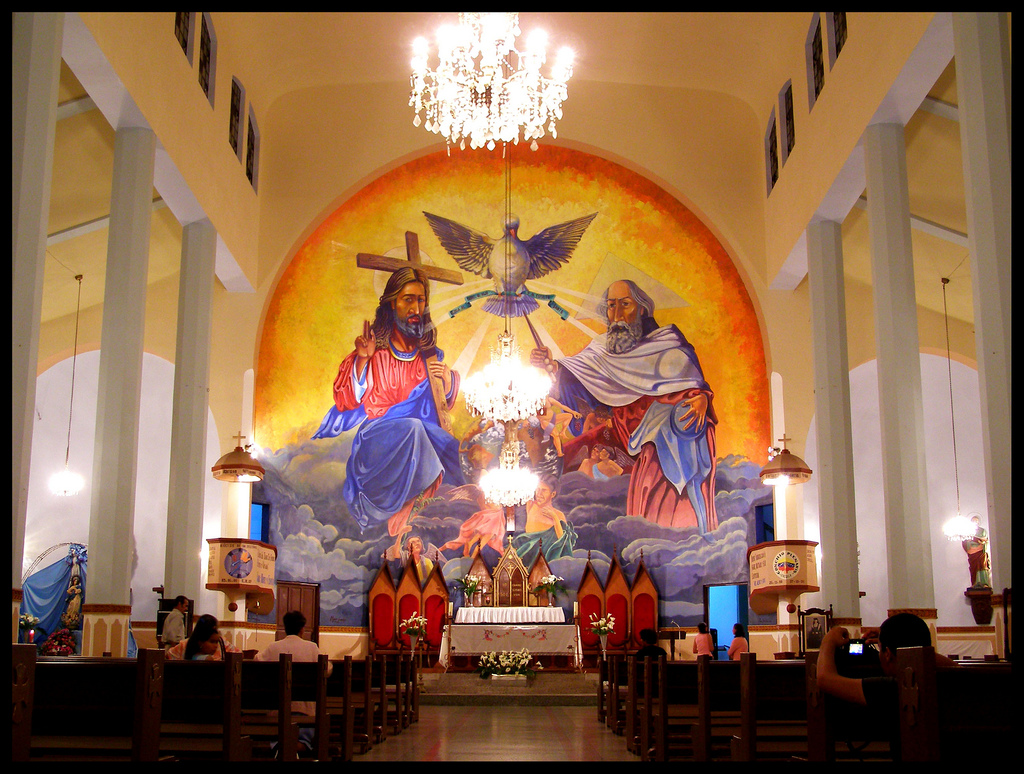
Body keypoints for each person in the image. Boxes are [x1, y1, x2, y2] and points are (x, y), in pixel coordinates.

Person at [531, 279, 718, 535]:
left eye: (625, 304)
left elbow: (692, 383)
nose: (617, 315)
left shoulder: (668, 345)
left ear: (641, 309)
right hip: (624, 435)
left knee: (662, 473)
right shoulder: (600, 350)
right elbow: (576, 379)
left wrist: (702, 398)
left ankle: (680, 533)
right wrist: (551, 367)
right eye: (611, 306)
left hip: (658, 439)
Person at [312, 268, 466, 553]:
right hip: (377, 441)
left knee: (455, 451)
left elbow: (439, 408)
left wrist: (447, 381)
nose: (415, 308)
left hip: (420, 438)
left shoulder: (430, 357)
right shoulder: (375, 353)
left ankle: (414, 512)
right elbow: (347, 399)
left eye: (420, 300)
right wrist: (362, 360)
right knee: (414, 428)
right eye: (407, 299)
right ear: (392, 303)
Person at [815, 613, 956, 757]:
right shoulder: (950, 680)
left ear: (887, 654)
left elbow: (824, 679)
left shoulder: (891, 688)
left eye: (880, 648)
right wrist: (894, 639)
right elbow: (954, 666)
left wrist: (828, 641)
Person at [256, 610, 333, 756]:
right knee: (305, 729)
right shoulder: (311, 647)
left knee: (278, 730)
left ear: (285, 627)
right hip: (304, 710)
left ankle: (280, 745)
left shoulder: (273, 647)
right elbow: (327, 668)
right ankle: (299, 745)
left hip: (277, 709)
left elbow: (257, 662)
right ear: (302, 629)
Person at [512, 473, 577, 568]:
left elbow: (563, 541)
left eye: (544, 490)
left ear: (553, 494)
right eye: (537, 489)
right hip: (526, 553)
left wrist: (555, 518)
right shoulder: (531, 505)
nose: (539, 494)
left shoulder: (558, 515)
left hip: (546, 560)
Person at [166, 614, 241, 661]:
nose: (215, 645)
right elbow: (169, 655)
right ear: (201, 642)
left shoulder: (221, 641)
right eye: (212, 642)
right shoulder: (185, 645)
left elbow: (239, 654)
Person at [961, 515, 992, 588]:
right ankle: (975, 582)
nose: (975, 522)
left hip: (981, 551)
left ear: (978, 522)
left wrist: (974, 540)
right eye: (973, 521)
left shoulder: (982, 530)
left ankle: (984, 582)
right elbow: (966, 541)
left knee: (983, 565)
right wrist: (972, 543)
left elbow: (984, 540)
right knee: (974, 567)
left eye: (976, 521)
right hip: (972, 552)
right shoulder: (968, 531)